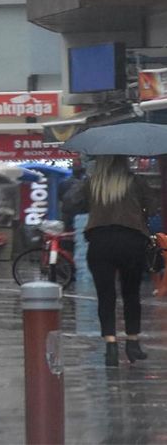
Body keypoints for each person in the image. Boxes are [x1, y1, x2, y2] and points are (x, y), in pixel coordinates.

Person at [74, 155, 156, 367]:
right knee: (131, 293)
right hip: (131, 241)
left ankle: (110, 346)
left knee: (105, 295)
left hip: (100, 242)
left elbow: (75, 204)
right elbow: (152, 208)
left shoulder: (93, 183)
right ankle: (132, 342)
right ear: (123, 162)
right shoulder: (136, 181)